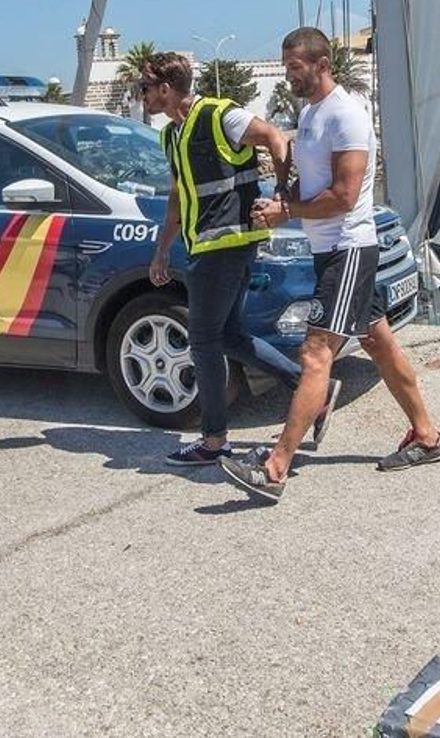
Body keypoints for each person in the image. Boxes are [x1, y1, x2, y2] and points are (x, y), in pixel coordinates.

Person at [221, 26, 440, 503]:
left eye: (295, 69)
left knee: (315, 353)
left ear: (323, 65)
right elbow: (311, 181)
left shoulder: (346, 116)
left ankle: (275, 467)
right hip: (331, 250)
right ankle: (427, 436)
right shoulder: (310, 114)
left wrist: (290, 211)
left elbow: (343, 196)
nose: (289, 77)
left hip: (348, 248)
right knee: (379, 345)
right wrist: (280, 198)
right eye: (285, 69)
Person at [143, 51, 334, 465]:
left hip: (226, 246)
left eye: (144, 88)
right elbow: (179, 196)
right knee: (227, 336)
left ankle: (214, 441)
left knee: (203, 341)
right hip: (207, 247)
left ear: (164, 89)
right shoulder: (170, 136)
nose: (141, 97)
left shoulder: (218, 115)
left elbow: (275, 138)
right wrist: (162, 250)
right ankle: (310, 389)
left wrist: (281, 193)